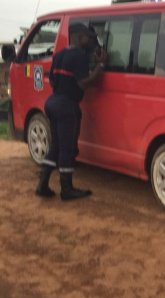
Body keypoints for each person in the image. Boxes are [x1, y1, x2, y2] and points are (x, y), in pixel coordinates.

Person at [35, 23, 106, 201]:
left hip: (53, 102)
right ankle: (67, 190)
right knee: (67, 149)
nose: (89, 40)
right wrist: (100, 67)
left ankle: (42, 186)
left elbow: (52, 80)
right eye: (87, 37)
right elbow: (83, 83)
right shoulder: (80, 57)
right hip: (67, 106)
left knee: (56, 146)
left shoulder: (59, 55)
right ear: (79, 36)